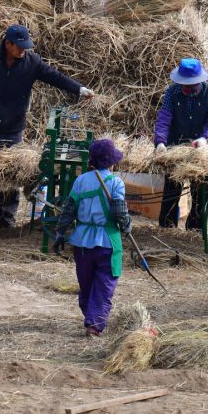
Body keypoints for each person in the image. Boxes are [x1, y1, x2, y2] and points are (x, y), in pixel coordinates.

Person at [0, 24, 94, 232]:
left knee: (11, 175)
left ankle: (6, 222)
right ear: (7, 43)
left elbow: (55, 77)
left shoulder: (32, 62)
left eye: (26, 46)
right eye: (20, 46)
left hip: (12, 129)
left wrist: (79, 89)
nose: (23, 50)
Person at [54, 139, 131, 337]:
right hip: (108, 242)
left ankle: (91, 316)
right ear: (111, 163)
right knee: (104, 283)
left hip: (82, 243)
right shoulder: (115, 182)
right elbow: (120, 213)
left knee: (86, 282)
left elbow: (68, 210)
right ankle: (94, 324)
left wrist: (60, 232)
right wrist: (127, 227)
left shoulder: (80, 181)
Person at [153, 58, 208, 230]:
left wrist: (205, 139)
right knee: (171, 189)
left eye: (191, 85)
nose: (187, 88)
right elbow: (164, 119)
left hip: (200, 149)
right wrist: (160, 142)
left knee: (201, 190)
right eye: (184, 85)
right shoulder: (172, 92)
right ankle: (167, 228)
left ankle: (195, 230)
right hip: (175, 145)